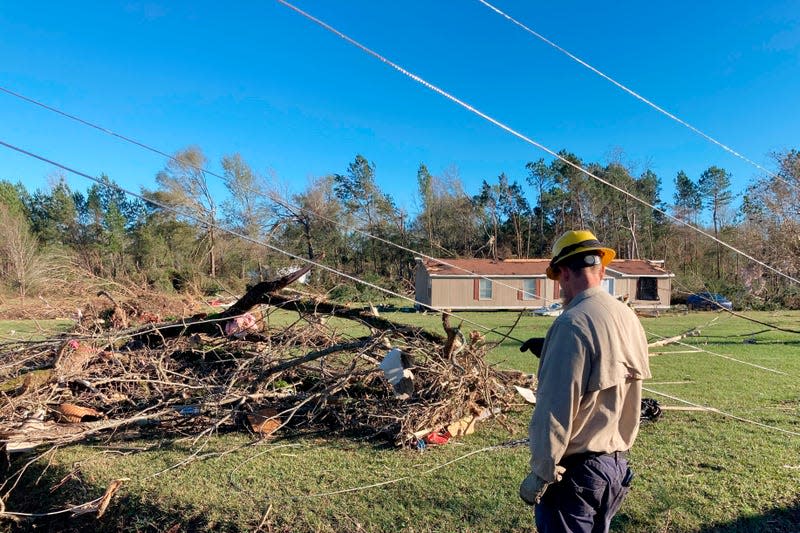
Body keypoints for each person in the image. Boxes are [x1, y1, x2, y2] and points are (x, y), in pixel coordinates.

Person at [519, 230, 651, 533]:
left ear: (563, 272)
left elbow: (554, 409)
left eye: (557, 279)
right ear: (601, 270)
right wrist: (553, 350)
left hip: (575, 476)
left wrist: (541, 472)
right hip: (614, 468)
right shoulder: (627, 317)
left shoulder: (571, 324)